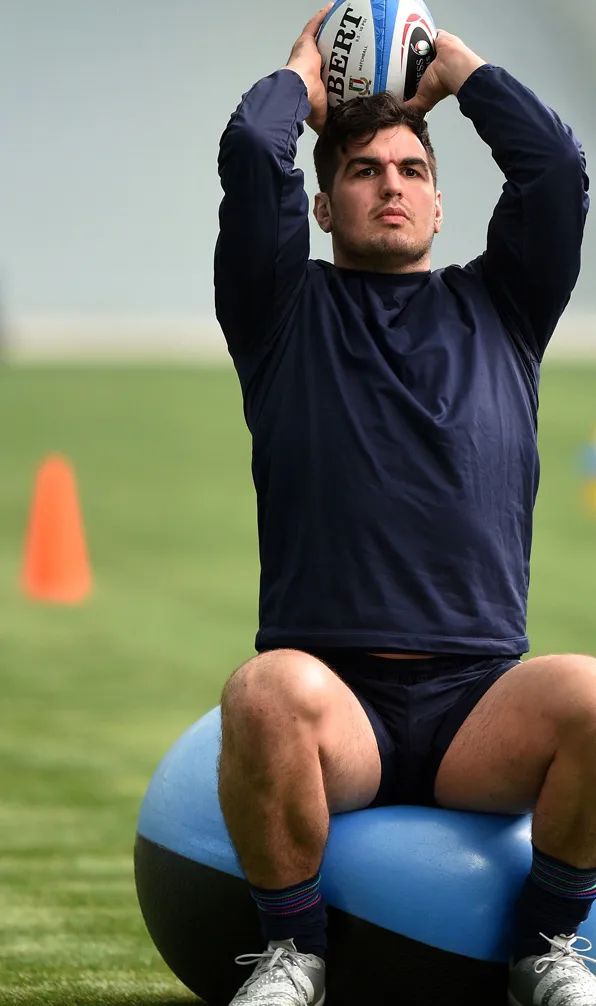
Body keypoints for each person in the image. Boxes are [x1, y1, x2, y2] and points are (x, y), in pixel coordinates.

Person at [214, 5, 593, 1005]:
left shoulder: (504, 307)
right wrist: (302, 73)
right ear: (325, 205)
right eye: (361, 170)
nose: (390, 184)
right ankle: (294, 952)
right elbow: (255, 152)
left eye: (410, 171)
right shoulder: (280, 310)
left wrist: (457, 72)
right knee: (260, 691)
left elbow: (554, 172)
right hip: (337, 704)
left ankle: (546, 944)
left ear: (436, 206)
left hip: (478, 700)